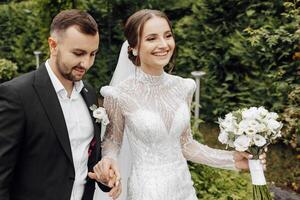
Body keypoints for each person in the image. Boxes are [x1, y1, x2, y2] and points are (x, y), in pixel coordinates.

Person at [93, 9, 267, 200]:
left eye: (167, 36)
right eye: (152, 38)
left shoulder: (184, 87)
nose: (163, 44)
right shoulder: (118, 94)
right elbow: (112, 141)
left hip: (184, 189)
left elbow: (186, 145)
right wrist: (109, 160)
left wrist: (233, 160)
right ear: (134, 47)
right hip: (147, 191)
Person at [0, 9, 121, 200]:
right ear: (53, 45)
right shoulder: (16, 95)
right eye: (78, 53)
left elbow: (84, 163)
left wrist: (103, 177)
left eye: (93, 54)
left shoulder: (89, 94)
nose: (86, 63)